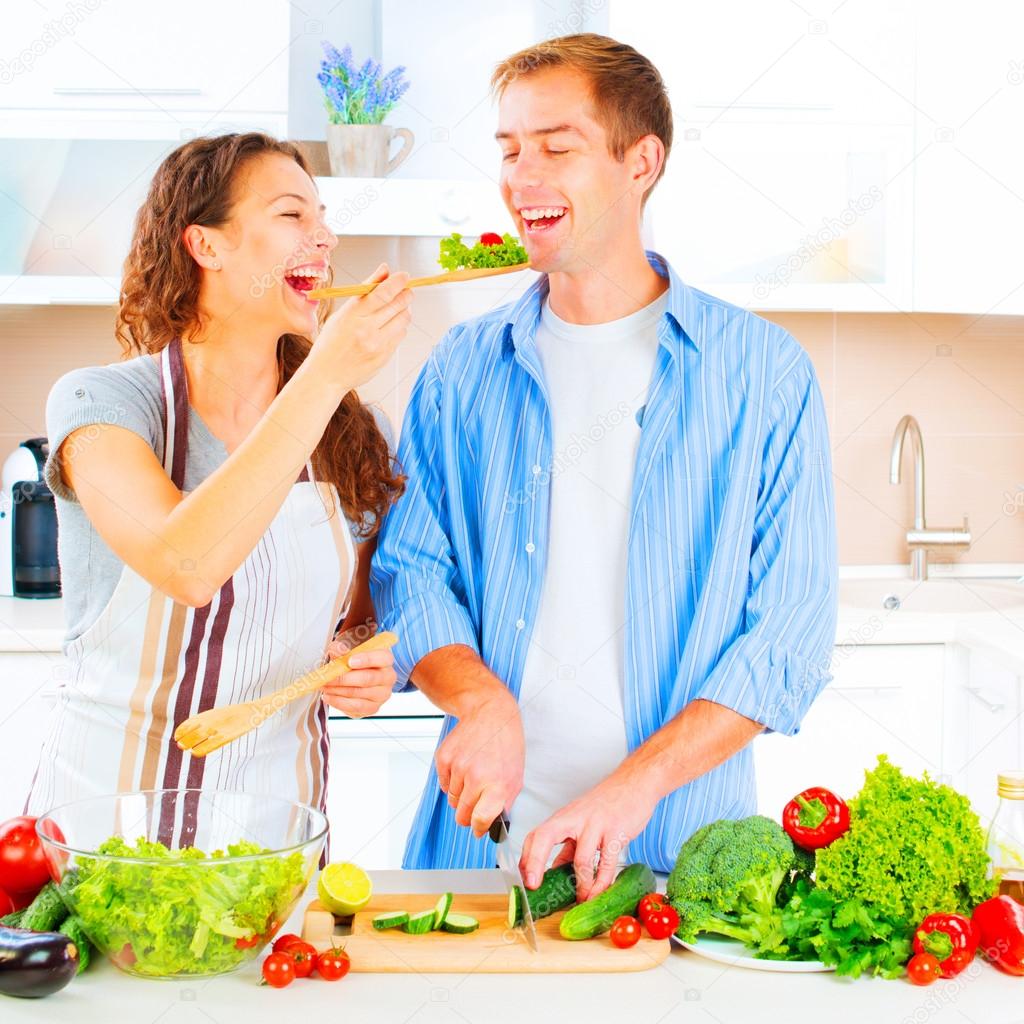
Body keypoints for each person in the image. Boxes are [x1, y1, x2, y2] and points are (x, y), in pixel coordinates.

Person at [371, 34, 838, 899]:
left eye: (558, 146)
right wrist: (479, 702)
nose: (523, 176)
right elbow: (411, 574)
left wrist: (632, 790)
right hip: (475, 854)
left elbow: (788, 640)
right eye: (509, 150)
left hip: (673, 859)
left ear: (641, 163)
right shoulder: (461, 369)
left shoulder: (762, 373)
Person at [26, 133, 412, 843]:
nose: (324, 237)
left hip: (273, 839)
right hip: (103, 832)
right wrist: (326, 374)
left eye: (322, 217)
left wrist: (366, 663)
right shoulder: (99, 405)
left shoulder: (352, 432)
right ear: (205, 245)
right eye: (293, 215)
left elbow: (359, 619)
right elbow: (186, 564)